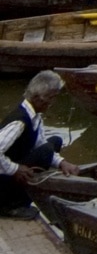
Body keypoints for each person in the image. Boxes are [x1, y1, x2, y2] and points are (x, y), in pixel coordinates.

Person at [0, 71, 78, 212]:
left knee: (54, 142)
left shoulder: (35, 116)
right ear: (37, 98)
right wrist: (14, 169)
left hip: (10, 168)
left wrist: (62, 162)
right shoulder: (20, 122)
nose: (53, 103)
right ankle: (12, 204)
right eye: (51, 98)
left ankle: (29, 188)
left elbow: (40, 142)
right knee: (47, 150)